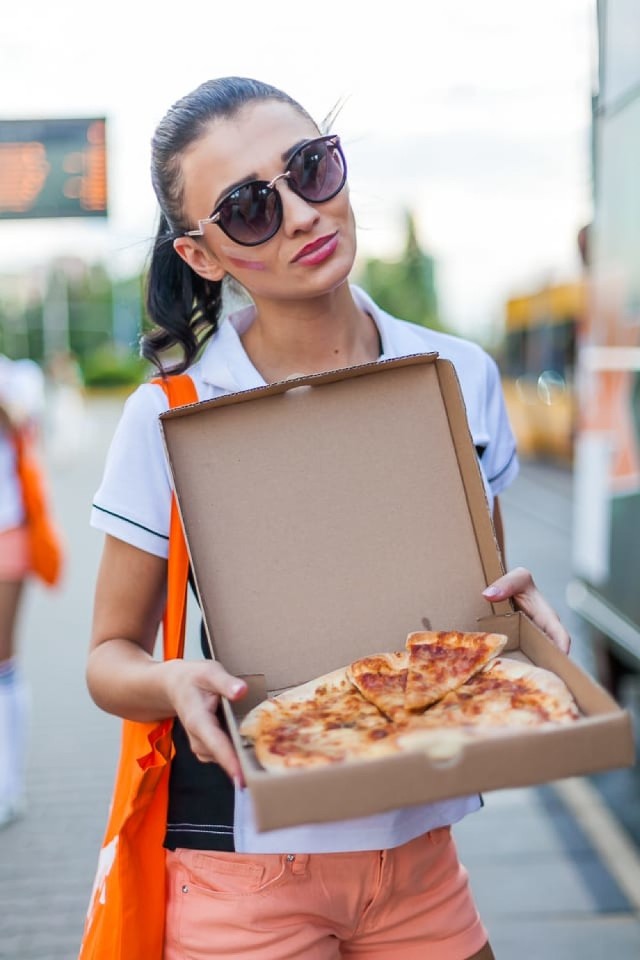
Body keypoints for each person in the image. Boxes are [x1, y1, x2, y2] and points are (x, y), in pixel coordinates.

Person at [86, 76, 571, 959]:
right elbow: (106, 659)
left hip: (423, 857)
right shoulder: (170, 414)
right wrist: (173, 684)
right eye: (247, 209)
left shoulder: (458, 373)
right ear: (203, 255)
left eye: (312, 168)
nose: (303, 214)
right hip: (248, 870)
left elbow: (474, 610)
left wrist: (514, 617)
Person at [0, 354, 46, 828]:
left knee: (2, 660)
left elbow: (22, 424)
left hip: (7, 532)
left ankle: (8, 785)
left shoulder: (19, 377)